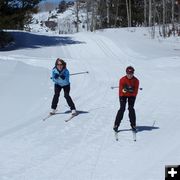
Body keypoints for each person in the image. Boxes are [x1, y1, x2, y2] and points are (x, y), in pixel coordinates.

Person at [113, 66, 139, 132]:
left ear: (133, 73)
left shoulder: (136, 80)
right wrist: (126, 89)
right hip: (123, 96)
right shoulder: (122, 80)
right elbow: (121, 92)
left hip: (131, 96)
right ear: (126, 73)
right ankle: (116, 125)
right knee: (122, 108)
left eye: (131, 74)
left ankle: (133, 125)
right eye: (128, 74)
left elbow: (135, 92)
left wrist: (131, 91)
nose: (130, 75)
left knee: (131, 108)